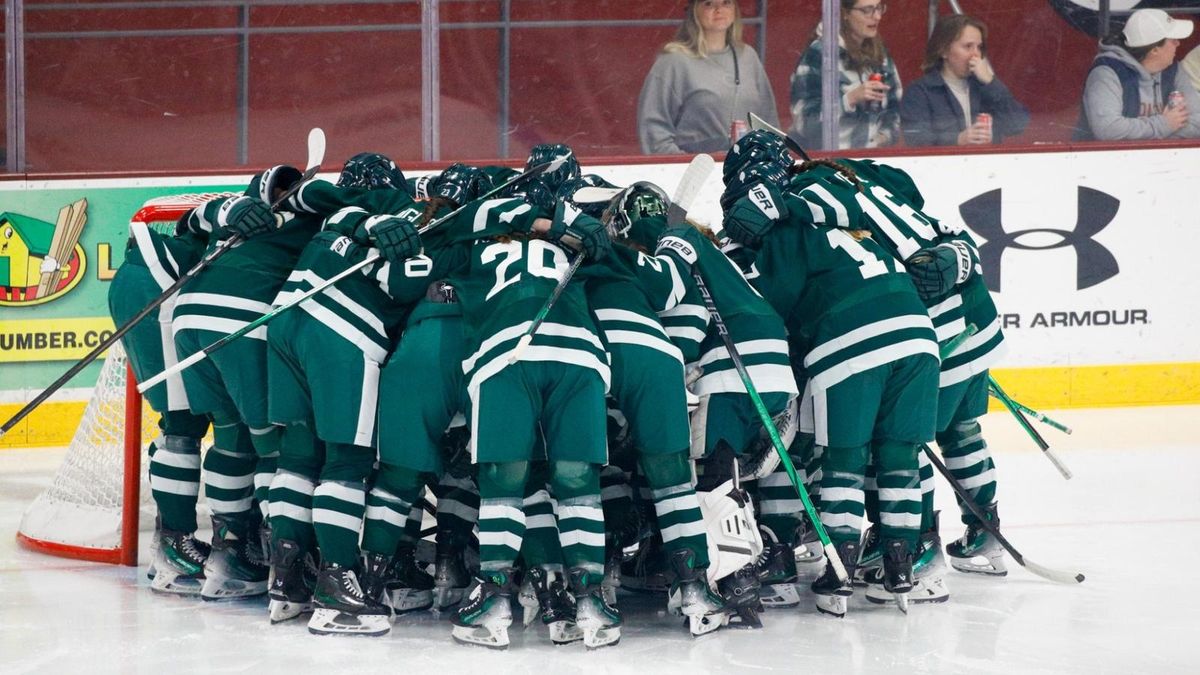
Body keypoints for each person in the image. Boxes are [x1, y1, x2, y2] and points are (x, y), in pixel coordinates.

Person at [637, 0, 780, 154]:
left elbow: (768, 122)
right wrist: (688, 164)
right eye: (709, 3)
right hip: (694, 166)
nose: (719, 9)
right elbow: (654, 132)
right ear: (694, 11)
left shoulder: (748, 56)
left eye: (726, 3)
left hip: (748, 164)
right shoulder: (673, 62)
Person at [788, 0, 903, 150]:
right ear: (845, 13)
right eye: (867, 10)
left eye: (878, 8)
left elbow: (894, 106)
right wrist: (849, 99)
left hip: (870, 157)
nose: (877, 17)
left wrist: (883, 137)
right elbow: (805, 123)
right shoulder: (819, 55)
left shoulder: (879, 53)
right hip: (828, 159)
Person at [900, 14, 1029, 146]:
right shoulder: (920, 92)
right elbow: (916, 139)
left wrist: (990, 81)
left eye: (979, 47)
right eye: (968, 46)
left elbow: (1017, 125)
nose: (976, 54)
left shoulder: (985, 87)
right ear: (944, 51)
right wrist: (957, 140)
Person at [1075, 8, 1200, 140]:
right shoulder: (1107, 73)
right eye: (1172, 40)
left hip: (1164, 153)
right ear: (1154, 50)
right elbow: (1108, 129)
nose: (1178, 43)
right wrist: (1164, 125)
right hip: (1107, 154)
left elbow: (1198, 121)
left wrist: (1159, 133)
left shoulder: (1174, 70)